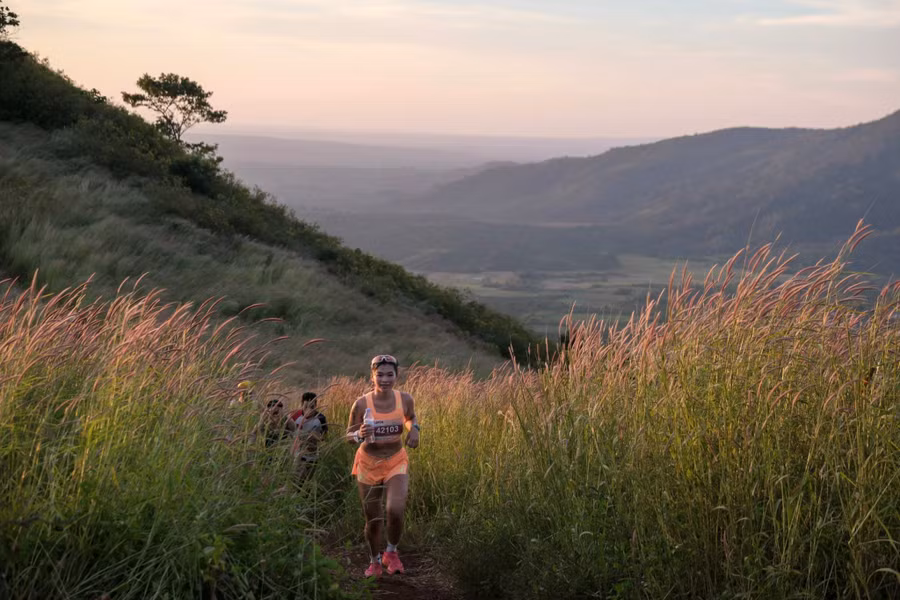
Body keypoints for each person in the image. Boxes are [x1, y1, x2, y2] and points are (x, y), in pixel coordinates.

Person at [346, 354, 420, 577]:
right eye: (380, 375)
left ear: (397, 375)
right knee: (374, 519)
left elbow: (410, 417)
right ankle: (374, 560)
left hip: (396, 460)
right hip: (368, 463)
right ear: (372, 376)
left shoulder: (404, 399)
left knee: (395, 509)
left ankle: (391, 552)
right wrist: (359, 434)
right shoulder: (361, 404)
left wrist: (415, 429)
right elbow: (348, 436)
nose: (385, 379)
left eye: (390, 374)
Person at [290, 392, 328, 481]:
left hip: (313, 455)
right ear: (301, 405)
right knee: (296, 478)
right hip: (297, 454)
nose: (309, 410)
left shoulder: (321, 418)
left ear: (316, 406)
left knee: (307, 480)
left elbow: (324, 437)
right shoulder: (295, 416)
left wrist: (316, 436)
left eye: (312, 407)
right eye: (306, 407)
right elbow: (287, 431)